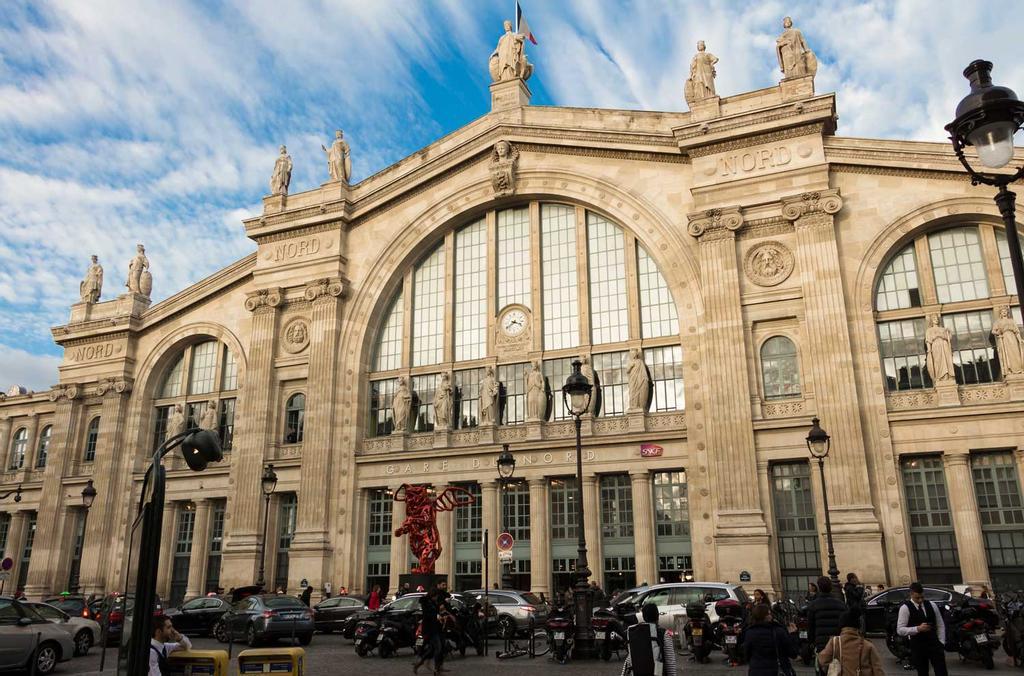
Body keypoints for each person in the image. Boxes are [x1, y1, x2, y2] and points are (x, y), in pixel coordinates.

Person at [896, 581, 948, 676]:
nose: (920, 600)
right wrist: (917, 629)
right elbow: (900, 630)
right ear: (911, 594)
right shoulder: (905, 608)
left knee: (942, 671)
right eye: (917, 598)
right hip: (918, 645)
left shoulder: (932, 605)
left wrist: (941, 642)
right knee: (923, 672)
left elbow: (940, 624)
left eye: (922, 597)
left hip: (934, 644)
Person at [817, 608, 885, 676]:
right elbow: (878, 670)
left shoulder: (835, 642)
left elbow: (822, 660)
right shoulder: (868, 645)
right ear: (858, 626)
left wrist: (834, 668)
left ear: (841, 625)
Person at [742, 603, 798, 676]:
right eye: (769, 614)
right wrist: (793, 635)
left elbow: (746, 654)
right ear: (765, 616)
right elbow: (793, 653)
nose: (771, 616)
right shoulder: (779, 631)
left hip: (757, 670)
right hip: (777, 670)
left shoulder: (750, 632)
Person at [621, 603, 677, 676]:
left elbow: (629, 660)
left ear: (644, 617)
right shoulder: (664, 634)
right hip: (657, 672)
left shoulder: (634, 632)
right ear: (658, 616)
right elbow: (670, 662)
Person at [806, 577, 847, 662]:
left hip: (821, 643)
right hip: (837, 641)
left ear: (819, 588)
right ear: (831, 587)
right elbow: (845, 624)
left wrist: (811, 642)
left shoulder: (814, 605)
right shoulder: (841, 604)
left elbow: (810, 626)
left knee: (823, 667)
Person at [413, 583, 451, 675]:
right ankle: (436, 669)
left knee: (433, 649)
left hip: (436, 628)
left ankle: (420, 663)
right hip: (430, 629)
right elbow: (427, 615)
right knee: (438, 648)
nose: (436, 599)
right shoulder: (425, 602)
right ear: (432, 596)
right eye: (435, 597)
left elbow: (438, 610)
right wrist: (436, 616)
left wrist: (441, 615)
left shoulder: (433, 602)